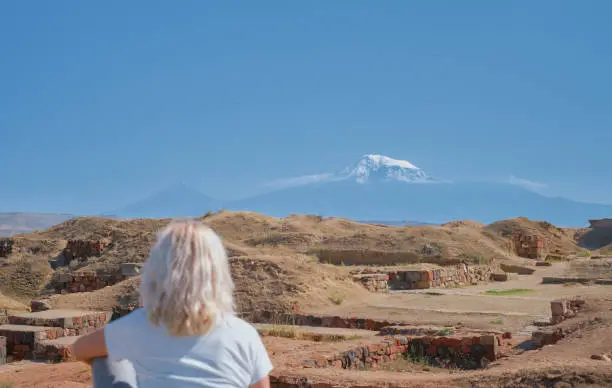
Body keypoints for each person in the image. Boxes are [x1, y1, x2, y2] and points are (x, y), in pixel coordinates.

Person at [70, 220, 273, 388]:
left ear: (158, 270)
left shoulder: (138, 326)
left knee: (107, 360)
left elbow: (79, 349)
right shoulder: (243, 335)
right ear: (217, 273)